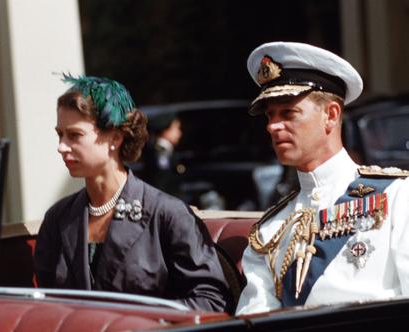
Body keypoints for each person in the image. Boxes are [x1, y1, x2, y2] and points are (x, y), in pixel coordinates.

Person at [236, 42, 409, 315]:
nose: (272, 126)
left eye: (288, 113)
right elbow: (254, 324)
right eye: (270, 115)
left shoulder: (398, 197)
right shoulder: (269, 231)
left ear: (331, 115)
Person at [33, 74, 230, 312]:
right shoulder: (58, 218)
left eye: (74, 135)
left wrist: (141, 326)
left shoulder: (167, 213)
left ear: (115, 137)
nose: (61, 146)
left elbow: (211, 300)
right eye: (60, 134)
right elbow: (48, 305)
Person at [138, 112, 184, 198]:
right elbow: (162, 183)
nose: (179, 133)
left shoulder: (165, 151)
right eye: (176, 129)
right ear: (165, 131)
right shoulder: (161, 153)